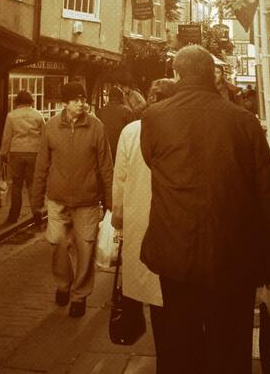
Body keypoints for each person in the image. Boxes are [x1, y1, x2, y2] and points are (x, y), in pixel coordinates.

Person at [140, 45, 270, 374]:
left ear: (176, 74)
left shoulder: (153, 117)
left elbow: (152, 161)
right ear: (212, 75)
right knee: (231, 347)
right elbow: (268, 196)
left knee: (180, 342)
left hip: (175, 253)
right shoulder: (244, 121)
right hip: (233, 254)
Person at [31, 81, 113, 318]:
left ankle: (79, 295)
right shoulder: (51, 127)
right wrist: (36, 200)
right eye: (76, 100)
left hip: (87, 200)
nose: (82, 104)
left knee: (85, 247)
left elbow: (106, 167)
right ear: (64, 103)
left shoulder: (96, 127)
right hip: (57, 199)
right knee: (56, 242)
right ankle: (63, 283)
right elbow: (42, 165)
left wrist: (110, 201)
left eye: (84, 99)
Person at [111, 78, 176, 373]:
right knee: (169, 297)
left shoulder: (132, 131)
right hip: (171, 222)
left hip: (139, 219)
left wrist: (119, 217)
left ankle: (166, 353)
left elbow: (120, 178)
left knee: (150, 288)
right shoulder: (180, 127)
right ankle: (169, 356)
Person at [0, 90, 45, 224]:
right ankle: (37, 213)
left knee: (17, 185)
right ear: (31, 101)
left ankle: (13, 216)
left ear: (17, 101)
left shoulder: (11, 116)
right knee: (32, 184)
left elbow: (7, 136)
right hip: (34, 153)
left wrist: (3, 153)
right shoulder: (38, 115)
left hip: (16, 153)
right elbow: (44, 135)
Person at [96, 85, 134, 162]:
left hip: (104, 149)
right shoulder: (127, 112)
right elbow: (133, 133)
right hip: (122, 149)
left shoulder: (100, 112)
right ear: (121, 97)